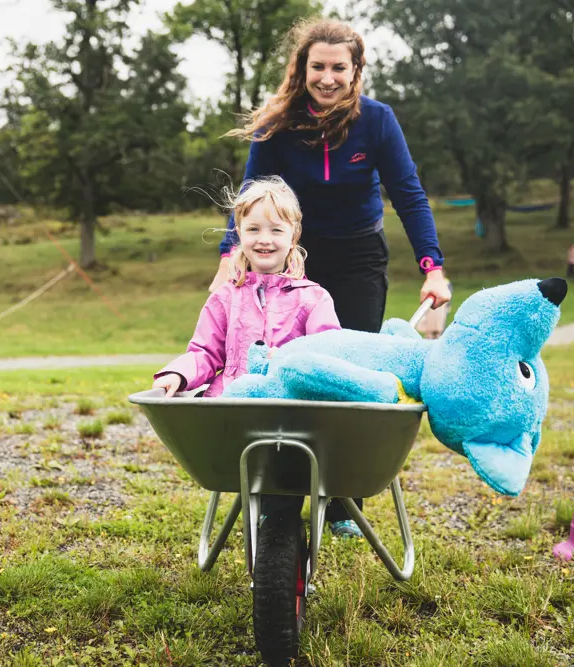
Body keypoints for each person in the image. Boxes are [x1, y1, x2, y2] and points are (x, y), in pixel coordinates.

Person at [207, 18, 452, 539]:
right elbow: (250, 190)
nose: (327, 77)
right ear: (303, 68)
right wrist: (231, 253)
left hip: (361, 257)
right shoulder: (279, 123)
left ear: (355, 70)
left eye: (339, 67)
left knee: (349, 371)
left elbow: (408, 194)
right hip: (296, 259)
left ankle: (342, 499)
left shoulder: (378, 121)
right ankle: (283, 481)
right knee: (290, 365)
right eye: (318, 66)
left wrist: (433, 266)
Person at [152, 177, 341, 399]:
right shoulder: (224, 297)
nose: (264, 239)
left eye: (276, 230)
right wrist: (178, 374)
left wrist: (288, 359)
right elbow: (204, 353)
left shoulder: (314, 299)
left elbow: (328, 354)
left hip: (290, 406)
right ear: (240, 234)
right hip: (230, 403)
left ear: (293, 236)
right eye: (253, 229)